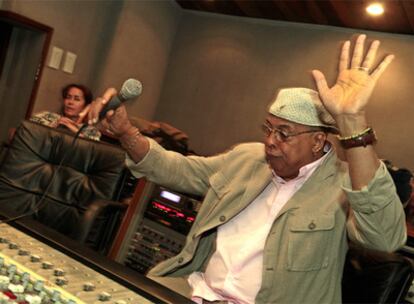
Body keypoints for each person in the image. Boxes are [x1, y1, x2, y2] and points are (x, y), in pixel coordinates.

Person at [88, 34, 406, 304]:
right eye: (268, 128)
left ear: (318, 140)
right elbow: (176, 169)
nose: (270, 141)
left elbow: (384, 239)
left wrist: (352, 121)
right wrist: (126, 131)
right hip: (192, 291)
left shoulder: (343, 183)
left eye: (284, 133)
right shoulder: (246, 158)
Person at [30, 83, 101, 141]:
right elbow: (29, 132)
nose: (70, 102)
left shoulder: (91, 131)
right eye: (68, 97)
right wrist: (53, 126)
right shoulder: (45, 116)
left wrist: (74, 130)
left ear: (86, 106)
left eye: (77, 99)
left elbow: (90, 150)